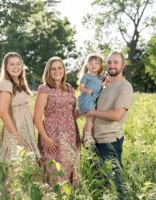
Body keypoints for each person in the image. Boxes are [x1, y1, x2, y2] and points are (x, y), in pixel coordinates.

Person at [86, 51, 133, 199]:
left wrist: (92, 112)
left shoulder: (124, 87)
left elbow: (117, 115)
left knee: (117, 187)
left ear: (123, 65)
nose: (112, 65)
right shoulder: (104, 85)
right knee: (100, 187)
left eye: (116, 62)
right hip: (95, 142)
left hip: (110, 142)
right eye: (109, 62)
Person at [34, 56, 81, 187]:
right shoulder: (45, 89)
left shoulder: (69, 88)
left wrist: (85, 108)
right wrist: (46, 138)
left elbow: (72, 115)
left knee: (69, 170)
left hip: (70, 135)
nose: (57, 71)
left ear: (64, 70)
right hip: (52, 137)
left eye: (60, 68)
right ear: (48, 71)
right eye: (53, 69)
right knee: (54, 172)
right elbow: (37, 117)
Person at [0, 52, 40, 162]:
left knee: (29, 167)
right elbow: (3, 112)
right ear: (6, 67)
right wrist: (16, 137)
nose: (16, 67)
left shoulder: (21, 82)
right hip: (15, 129)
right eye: (12, 64)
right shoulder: (6, 84)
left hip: (26, 129)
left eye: (18, 64)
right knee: (18, 165)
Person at [77, 54, 104, 148]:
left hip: (92, 100)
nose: (93, 65)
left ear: (100, 66)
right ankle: (87, 137)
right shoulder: (86, 76)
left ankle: (85, 135)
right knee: (90, 117)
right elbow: (80, 87)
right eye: (91, 63)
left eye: (96, 63)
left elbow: (105, 82)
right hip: (86, 100)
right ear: (87, 65)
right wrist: (86, 90)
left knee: (90, 119)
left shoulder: (100, 77)